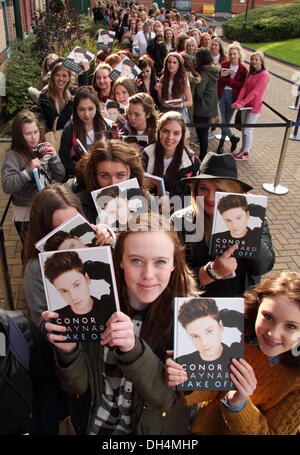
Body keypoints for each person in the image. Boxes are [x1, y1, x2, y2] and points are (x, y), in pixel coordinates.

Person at [42, 212, 198, 435]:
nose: (148, 275)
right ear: (121, 261)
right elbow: (77, 387)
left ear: (174, 264)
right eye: (136, 260)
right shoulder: (94, 307)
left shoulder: (190, 318)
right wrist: (69, 351)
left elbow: (169, 400)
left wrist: (133, 350)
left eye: (160, 262)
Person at [166, 271, 300, 435]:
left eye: (291, 326)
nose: (273, 333)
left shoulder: (295, 381)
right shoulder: (239, 335)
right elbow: (205, 391)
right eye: (268, 317)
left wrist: (239, 404)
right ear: (258, 306)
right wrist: (185, 373)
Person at [171, 152, 275, 297]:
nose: (210, 198)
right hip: (198, 305)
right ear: (195, 190)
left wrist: (249, 223)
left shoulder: (254, 220)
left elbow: (263, 267)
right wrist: (211, 272)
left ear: (234, 192)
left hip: (240, 303)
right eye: (203, 188)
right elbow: (173, 276)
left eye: (220, 190)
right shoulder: (180, 221)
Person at [23, 184, 112, 328]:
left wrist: (109, 236)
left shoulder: (97, 247)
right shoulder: (36, 269)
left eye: (75, 224)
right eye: (61, 230)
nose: (72, 234)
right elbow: (42, 324)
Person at [1, 111, 65, 257]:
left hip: (47, 208)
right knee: (30, 250)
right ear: (19, 135)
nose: (33, 137)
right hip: (25, 214)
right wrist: (28, 172)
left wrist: (54, 157)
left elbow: (60, 175)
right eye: (28, 133)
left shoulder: (43, 148)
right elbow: (7, 185)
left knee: (48, 247)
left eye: (35, 131)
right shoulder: (13, 155)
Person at [43, 250, 115, 340]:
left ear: (87, 279)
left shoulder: (111, 309)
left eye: (76, 285)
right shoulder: (57, 318)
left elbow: (116, 277)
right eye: (64, 291)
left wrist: (90, 267)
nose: (73, 297)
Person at [77, 139, 150, 224]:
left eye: (120, 175)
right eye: (105, 176)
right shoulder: (81, 206)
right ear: (94, 176)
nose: (113, 183)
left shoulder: (146, 199)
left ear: (131, 174)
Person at [175, 298, 243, 383]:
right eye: (195, 336)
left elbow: (249, 325)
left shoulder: (238, 355)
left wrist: (225, 315)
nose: (204, 343)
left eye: (209, 331)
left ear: (221, 326)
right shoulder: (180, 364)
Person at [142, 111, 200, 201]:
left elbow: (196, 195)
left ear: (182, 135)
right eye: (165, 131)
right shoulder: (145, 154)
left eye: (176, 133)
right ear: (159, 131)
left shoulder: (192, 163)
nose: (170, 137)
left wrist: (173, 200)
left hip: (177, 211)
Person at [59, 86, 112, 179]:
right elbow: (64, 161)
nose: (86, 114)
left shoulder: (107, 126)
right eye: (81, 109)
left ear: (97, 107)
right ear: (75, 110)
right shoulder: (70, 130)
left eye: (90, 109)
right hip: (80, 178)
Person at [231, 51, 269, 160]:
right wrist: (238, 102)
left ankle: (246, 152)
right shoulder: (251, 73)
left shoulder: (264, 75)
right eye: (252, 59)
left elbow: (255, 92)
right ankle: (243, 149)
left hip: (254, 106)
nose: (253, 61)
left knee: (248, 130)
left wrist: (241, 103)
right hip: (245, 105)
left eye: (256, 59)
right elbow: (244, 88)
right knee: (244, 129)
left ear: (261, 61)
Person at [217, 42, 248, 155]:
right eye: (230, 54)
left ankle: (221, 144)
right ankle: (233, 138)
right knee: (222, 121)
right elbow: (219, 81)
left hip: (233, 97)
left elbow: (242, 85)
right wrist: (224, 79)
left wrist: (229, 80)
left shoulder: (243, 69)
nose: (232, 56)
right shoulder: (224, 64)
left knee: (226, 122)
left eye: (234, 54)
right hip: (222, 94)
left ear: (239, 54)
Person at [193, 48, 219, 161]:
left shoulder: (203, 74)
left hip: (201, 108)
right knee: (203, 133)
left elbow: (198, 92)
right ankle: (203, 154)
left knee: (202, 133)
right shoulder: (212, 72)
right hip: (209, 106)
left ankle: (203, 156)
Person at [157, 52, 192, 122]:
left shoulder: (183, 79)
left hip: (179, 111)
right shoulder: (163, 78)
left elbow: (189, 102)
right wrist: (159, 91)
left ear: (179, 65)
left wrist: (177, 105)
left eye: (174, 62)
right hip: (166, 111)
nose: (171, 65)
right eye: (169, 62)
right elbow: (161, 101)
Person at [39, 61, 73, 133]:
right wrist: (71, 104)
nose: (60, 79)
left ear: (69, 78)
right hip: (52, 138)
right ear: (53, 77)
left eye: (64, 76)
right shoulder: (45, 96)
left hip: (68, 136)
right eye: (57, 75)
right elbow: (58, 124)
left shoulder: (70, 93)